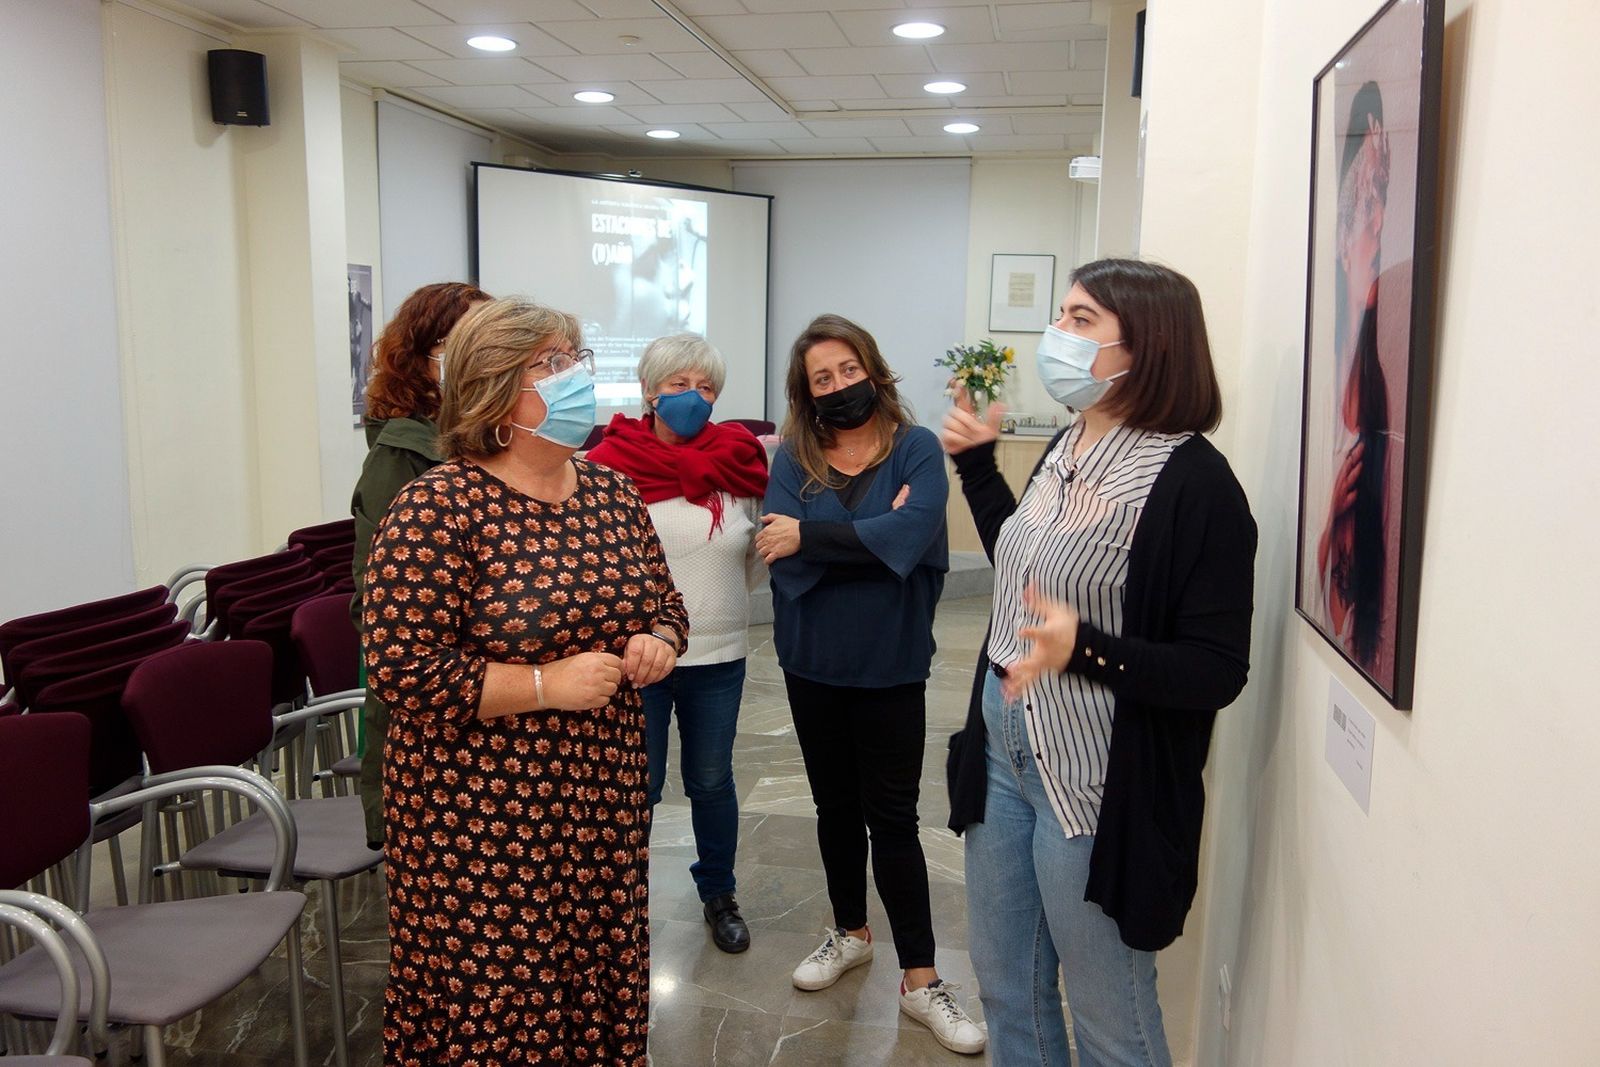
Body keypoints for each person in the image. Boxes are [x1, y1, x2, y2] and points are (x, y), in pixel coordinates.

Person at [942, 258, 1257, 1066]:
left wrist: (1084, 649)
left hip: (1095, 782)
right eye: (1062, 314)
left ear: (1146, 345)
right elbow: (1029, 570)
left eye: (1080, 320)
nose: (1058, 333)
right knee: (1008, 990)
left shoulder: (1197, 484)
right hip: (1005, 749)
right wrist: (978, 465)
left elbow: (1216, 669)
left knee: (1110, 1016)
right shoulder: (1068, 440)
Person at [362, 297, 688, 1066]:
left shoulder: (612, 494)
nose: (577, 376)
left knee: (592, 985)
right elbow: (402, 668)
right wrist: (543, 684)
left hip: (599, 805)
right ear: (493, 387)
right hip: (483, 824)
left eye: (576, 357)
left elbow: (667, 604)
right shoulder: (436, 507)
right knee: (505, 1005)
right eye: (552, 363)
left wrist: (658, 641)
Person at [756, 313, 986, 1055]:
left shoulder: (914, 447)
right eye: (822, 378)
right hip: (811, 661)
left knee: (892, 818)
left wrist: (814, 534)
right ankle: (850, 932)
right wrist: (868, 543)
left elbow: (910, 537)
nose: (838, 386)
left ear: (874, 371)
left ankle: (921, 978)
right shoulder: (795, 455)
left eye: (848, 370)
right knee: (834, 806)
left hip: (889, 663)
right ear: (806, 391)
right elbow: (781, 556)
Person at [584, 333, 769, 954]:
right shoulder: (608, 464)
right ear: (649, 391)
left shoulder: (737, 460)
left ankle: (719, 893)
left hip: (719, 655)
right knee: (638, 784)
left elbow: (752, 557)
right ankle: (621, 901)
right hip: (638, 658)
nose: (694, 396)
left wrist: (715, 611)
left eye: (706, 387)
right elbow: (596, 564)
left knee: (711, 781)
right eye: (679, 384)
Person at [350, 281, 489, 848]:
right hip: (442, 718)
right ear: (425, 358)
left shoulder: (483, 443)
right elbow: (379, 607)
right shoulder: (400, 459)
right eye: (467, 344)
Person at [1315, 80, 1395, 677]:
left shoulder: (1376, 397)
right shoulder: (1328, 388)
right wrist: (1326, 530)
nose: (1382, 222)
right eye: (1369, 200)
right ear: (1342, 239)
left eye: (1383, 194)